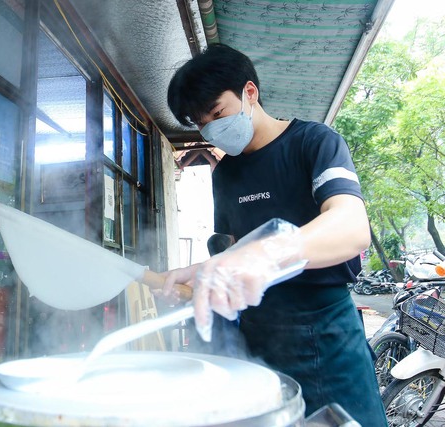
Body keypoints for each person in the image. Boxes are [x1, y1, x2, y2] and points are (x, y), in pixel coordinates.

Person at [162, 44, 387, 426]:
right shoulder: (225, 175)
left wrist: (265, 254)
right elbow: (233, 250)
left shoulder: (314, 142)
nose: (211, 129)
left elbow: (351, 226)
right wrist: (202, 272)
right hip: (258, 333)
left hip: (326, 327)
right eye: (201, 123)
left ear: (250, 92)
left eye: (217, 114)